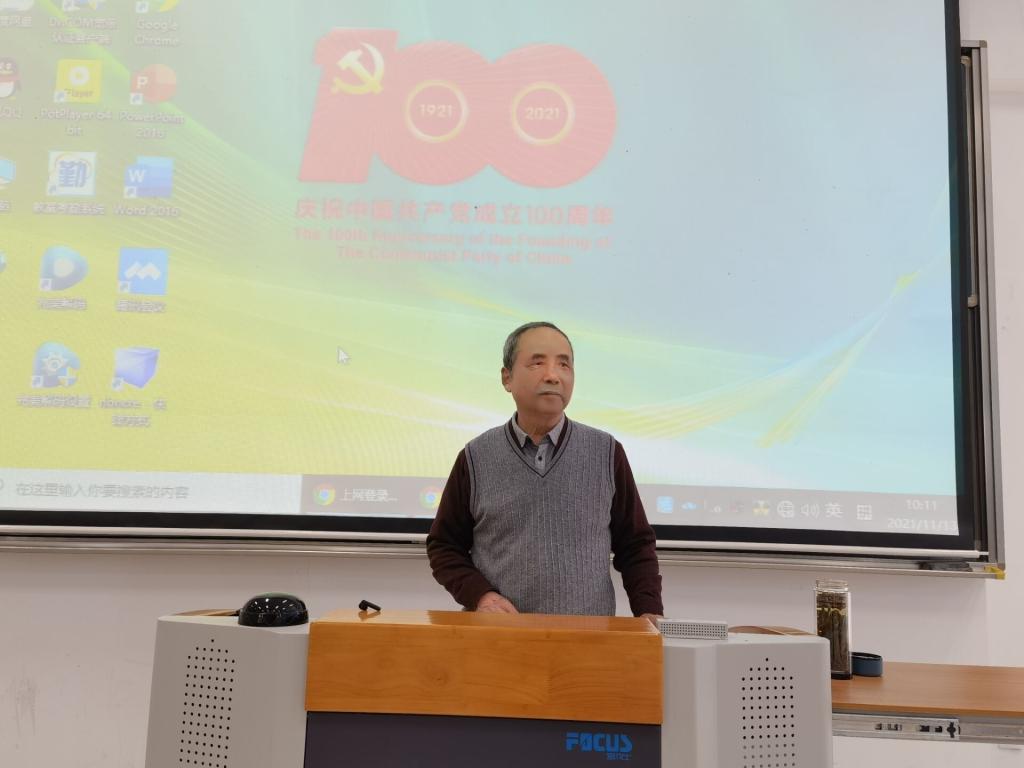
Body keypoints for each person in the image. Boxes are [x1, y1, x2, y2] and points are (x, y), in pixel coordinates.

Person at [426, 321, 663, 619]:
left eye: (564, 364)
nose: (553, 375)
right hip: (500, 638)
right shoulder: (475, 457)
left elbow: (636, 546)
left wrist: (649, 612)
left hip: (590, 638)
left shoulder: (606, 452)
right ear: (507, 378)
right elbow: (444, 546)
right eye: (538, 362)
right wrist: (480, 595)